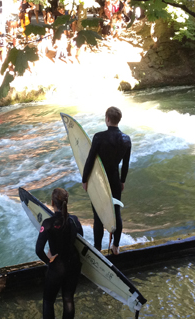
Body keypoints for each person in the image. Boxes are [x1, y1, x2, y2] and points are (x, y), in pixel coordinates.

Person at [82, 107, 131, 255]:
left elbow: (90, 160)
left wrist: (85, 179)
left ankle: (97, 248)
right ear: (118, 120)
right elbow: (126, 164)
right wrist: (122, 181)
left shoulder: (98, 137)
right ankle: (115, 246)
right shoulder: (126, 139)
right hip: (115, 180)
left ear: (107, 119)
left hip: (99, 181)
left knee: (98, 215)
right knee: (116, 213)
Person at [35, 188, 83, 319]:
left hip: (57, 267)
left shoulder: (48, 223)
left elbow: (38, 250)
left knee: (48, 301)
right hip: (73, 264)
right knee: (68, 299)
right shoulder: (74, 220)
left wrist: (48, 260)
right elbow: (80, 239)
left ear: (52, 202)